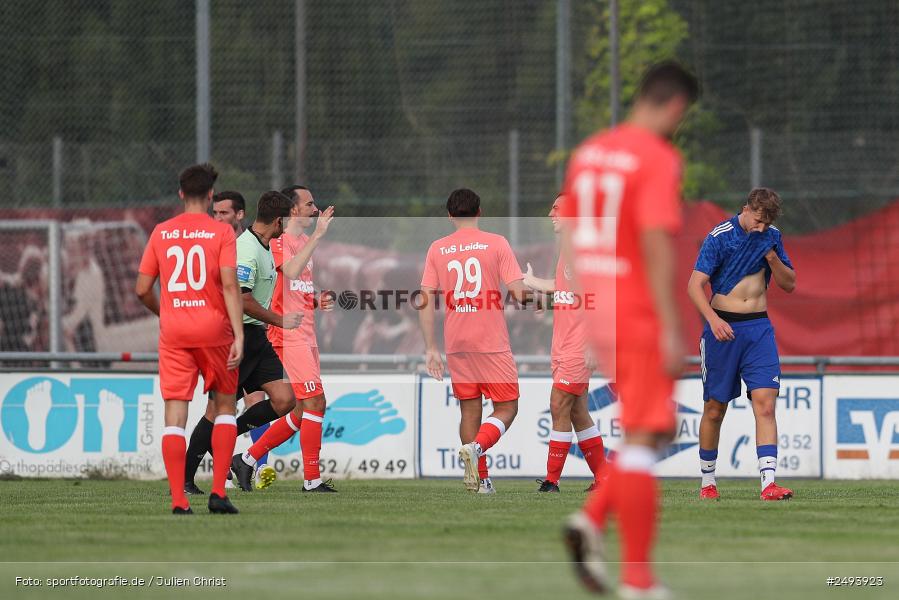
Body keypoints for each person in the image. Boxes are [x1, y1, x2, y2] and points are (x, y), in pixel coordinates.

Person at [560, 61, 699, 597]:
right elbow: (658, 240)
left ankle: (592, 519)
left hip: (601, 305)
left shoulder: (589, 151)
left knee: (654, 430)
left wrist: (593, 299)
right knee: (643, 441)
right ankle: (639, 580)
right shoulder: (657, 157)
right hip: (638, 308)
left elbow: (570, 236)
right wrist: (669, 324)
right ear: (675, 107)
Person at [134, 162, 243, 515]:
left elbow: (141, 290)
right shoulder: (222, 233)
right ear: (211, 195)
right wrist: (239, 334)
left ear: (181, 194)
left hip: (175, 332)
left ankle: (179, 501)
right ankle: (217, 494)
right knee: (225, 406)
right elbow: (229, 285)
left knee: (174, 415)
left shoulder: (161, 232)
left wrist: (166, 314)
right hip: (215, 330)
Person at [418, 188, 531, 494]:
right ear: (480, 212)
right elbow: (520, 294)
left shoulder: (437, 248)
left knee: (470, 411)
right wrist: (543, 293)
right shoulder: (497, 243)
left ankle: (481, 481)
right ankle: (478, 448)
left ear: (450, 216)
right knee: (507, 408)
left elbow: (425, 300)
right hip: (490, 340)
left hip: (456, 341)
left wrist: (431, 348)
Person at [687, 187, 796, 502]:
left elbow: (789, 284)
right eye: (758, 220)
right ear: (747, 209)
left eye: (767, 223)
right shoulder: (720, 236)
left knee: (765, 403)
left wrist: (772, 257)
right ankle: (708, 482)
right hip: (723, 329)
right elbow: (694, 285)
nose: (761, 227)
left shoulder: (772, 237)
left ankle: (769, 484)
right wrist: (712, 320)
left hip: (759, 329)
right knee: (714, 409)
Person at [231, 185, 338, 493]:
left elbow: (295, 288)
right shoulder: (279, 242)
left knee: (303, 410)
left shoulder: (302, 242)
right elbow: (290, 271)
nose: (315, 209)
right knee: (316, 401)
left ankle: (247, 460)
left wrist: (317, 299)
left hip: (306, 335)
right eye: (309, 204)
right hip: (286, 336)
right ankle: (311, 480)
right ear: (292, 210)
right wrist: (319, 235)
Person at [184, 190, 271, 494]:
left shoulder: (245, 246)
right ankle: (191, 478)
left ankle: (245, 462)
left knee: (268, 400)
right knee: (217, 410)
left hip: (249, 335)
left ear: (239, 215)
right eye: (215, 213)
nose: (218, 217)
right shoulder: (215, 247)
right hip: (224, 336)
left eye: (224, 213)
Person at [523, 194, 606, 493]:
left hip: (578, 344)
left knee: (558, 404)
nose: (550, 214)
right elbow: (566, 290)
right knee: (576, 411)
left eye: (556, 208)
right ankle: (605, 479)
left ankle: (551, 481)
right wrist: (534, 284)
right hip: (563, 343)